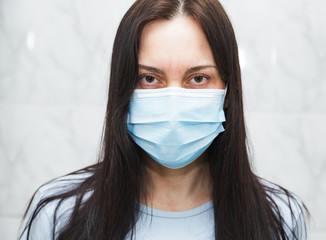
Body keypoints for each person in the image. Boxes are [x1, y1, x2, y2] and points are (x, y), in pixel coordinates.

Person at [18, 0, 308, 239]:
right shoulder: (58, 214)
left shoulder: (280, 218)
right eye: (149, 78)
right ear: (123, 88)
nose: (173, 103)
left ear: (228, 92)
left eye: (198, 78)